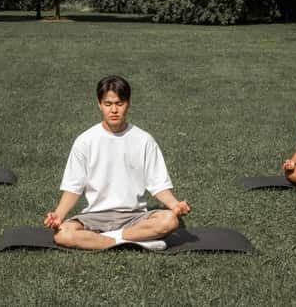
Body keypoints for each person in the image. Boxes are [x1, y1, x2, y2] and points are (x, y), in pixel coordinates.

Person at [44, 75, 190, 250]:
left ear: (128, 103)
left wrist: (175, 205)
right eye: (108, 104)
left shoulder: (144, 140)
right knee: (63, 234)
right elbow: (73, 187)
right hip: (95, 216)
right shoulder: (85, 141)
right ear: (99, 104)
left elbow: (158, 184)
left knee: (170, 220)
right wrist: (59, 215)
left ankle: (106, 240)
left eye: (119, 103)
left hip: (134, 217)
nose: (114, 110)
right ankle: (134, 241)